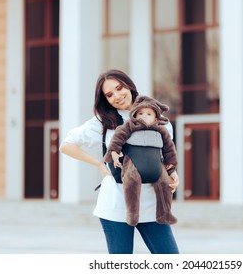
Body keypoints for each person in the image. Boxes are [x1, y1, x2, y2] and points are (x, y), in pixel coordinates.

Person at [59, 69, 180, 254]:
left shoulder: (158, 119)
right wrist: (99, 164)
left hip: (152, 206)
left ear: (129, 86)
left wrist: (173, 174)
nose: (117, 96)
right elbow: (66, 145)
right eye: (109, 94)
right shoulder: (103, 122)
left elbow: (165, 158)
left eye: (119, 88)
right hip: (115, 206)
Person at [104, 95, 178, 227]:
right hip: (133, 163)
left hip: (156, 165)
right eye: (141, 113)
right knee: (131, 183)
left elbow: (169, 150)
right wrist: (114, 152)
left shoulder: (162, 130)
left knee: (164, 185)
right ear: (134, 115)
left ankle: (165, 213)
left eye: (148, 114)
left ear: (156, 117)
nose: (144, 116)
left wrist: (172, 169)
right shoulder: (129, 126)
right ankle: (132, 214)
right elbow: (118, 138)